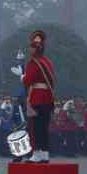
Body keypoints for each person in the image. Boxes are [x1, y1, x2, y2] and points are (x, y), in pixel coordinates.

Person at [22, 29, 56, 163]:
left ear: (35, 49)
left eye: (31, 47)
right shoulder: (48, 62)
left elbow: (28, 80)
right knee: (44, 127)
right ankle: (45, 154)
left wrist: (22, 76)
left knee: (35, 127)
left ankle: (36, 153)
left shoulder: (33, 62)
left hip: (36, 97)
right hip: (47, 97)